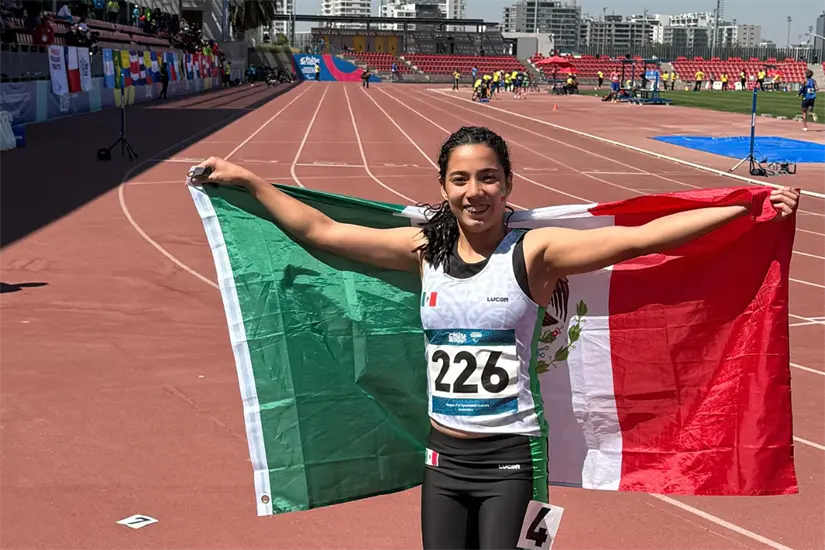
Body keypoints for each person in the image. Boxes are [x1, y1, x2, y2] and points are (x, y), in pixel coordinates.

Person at [189, 127, 800, 550]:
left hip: (511, 457)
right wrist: (247, 179)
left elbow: (643, 240)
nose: (473, 192)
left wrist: (745, 209)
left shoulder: (536, 252)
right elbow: (322, 232)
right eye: (460, 180)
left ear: (507, 183)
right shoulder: (422, 250)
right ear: (444, 186)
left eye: (487, 178)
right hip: (443, 456)